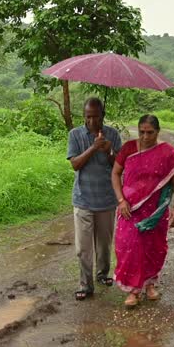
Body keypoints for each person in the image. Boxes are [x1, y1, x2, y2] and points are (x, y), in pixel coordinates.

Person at [112, 114, 174, 309]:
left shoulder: (167, 152)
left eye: (150, 132)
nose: (145, 137)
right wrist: (121, 200)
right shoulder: (128, 148)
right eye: (142, 132)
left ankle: (150, 284)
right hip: (130, 209)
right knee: (129, 247)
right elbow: (115, 173)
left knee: (154, 248)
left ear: (158, 132)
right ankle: (133, 290)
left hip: (156, 212)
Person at [66, 97, 122, 301]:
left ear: (102, 116)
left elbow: (119, 166)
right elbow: (75, 164)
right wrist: (93, 147)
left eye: (95, 117)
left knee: (104, 244)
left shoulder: (113, 135)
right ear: (84, 116)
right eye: (88, 117)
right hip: (83, 199)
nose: (91, 121)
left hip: (106, 199)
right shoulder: (75, 135)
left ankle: (103, 274)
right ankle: (85, 284)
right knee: (83, 248)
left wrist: (108, 151)